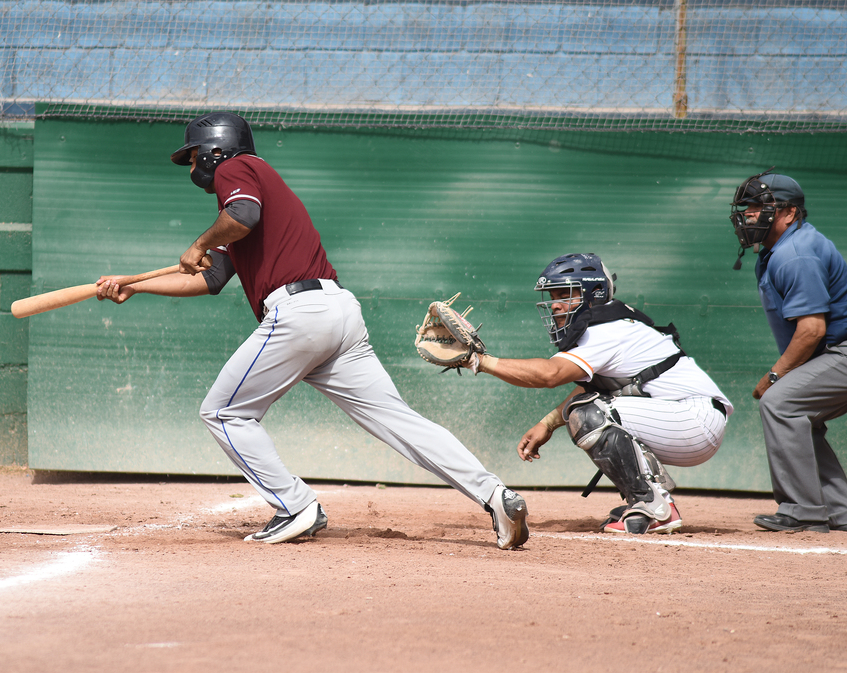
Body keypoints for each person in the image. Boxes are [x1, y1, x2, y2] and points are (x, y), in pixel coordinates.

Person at [95, 111, 529, 548]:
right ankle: (495, 495)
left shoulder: (237, 169)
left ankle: (294, 506)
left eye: (193, 157)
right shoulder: (248, 194)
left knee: (225, 413)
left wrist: (199, 242)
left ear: (215, 150)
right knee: (399, 421)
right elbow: (210, 278)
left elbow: (241, 215)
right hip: (337, 312)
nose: (191, 168)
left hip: (299, 313)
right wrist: (136, 287)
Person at [457, 253, 731, 534]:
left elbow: (550, 375)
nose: (556, 305)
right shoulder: (609, 325)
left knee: (588, 414)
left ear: (594, 294)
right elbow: (593, 387)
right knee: (587, 407)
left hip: (693, 421)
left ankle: (654, 505)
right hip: (686, 419)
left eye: (566, 294)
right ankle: (648, 500)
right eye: (553, 296)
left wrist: (480, 361)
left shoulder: (605, 331)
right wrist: (548, 422)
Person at [728, 169, 847, 533]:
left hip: (841, 351)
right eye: (746, 207)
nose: (749, 214)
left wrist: (776, 375)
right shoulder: (779, 249)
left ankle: (802, 510)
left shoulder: (795, 254)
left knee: (780, 403)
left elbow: (812, 329)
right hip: (835, 353)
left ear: (789, 213)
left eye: (759, 206)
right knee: (798, 415)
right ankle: (838, 510)